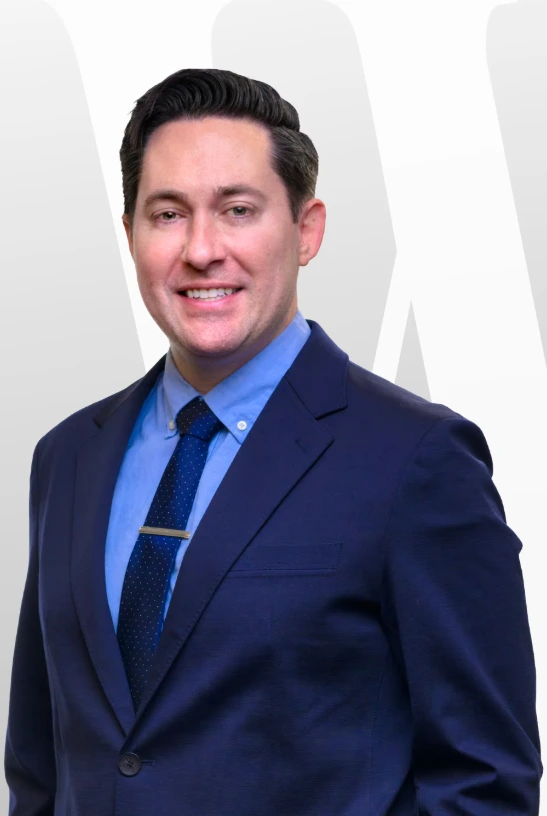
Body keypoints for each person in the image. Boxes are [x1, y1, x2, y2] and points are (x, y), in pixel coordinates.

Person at [4, 67, 541, 816]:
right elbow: (38, 768)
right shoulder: (67, 457)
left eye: (237, 209)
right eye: (166, 213)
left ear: (307, 229)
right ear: (129, 233)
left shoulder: (417, 460)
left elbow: (484, 783)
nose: (201, 249)